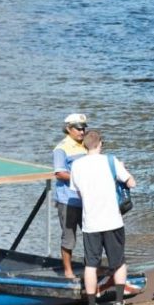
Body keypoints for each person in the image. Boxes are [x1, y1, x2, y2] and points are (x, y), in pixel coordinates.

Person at [67, 129, 136, 305]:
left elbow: (78, 192)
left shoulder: (77, 165)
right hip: (113, 220)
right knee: (119, 261)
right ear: (100, 144)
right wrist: (124, 170)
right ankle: (119, 302)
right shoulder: (111, 161)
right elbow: (132, 183)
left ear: (85, 145)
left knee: (91, 264)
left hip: (91, 222)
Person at [52, 113, 89, 280]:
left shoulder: (87, 145)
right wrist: (79, 179)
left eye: (84, 128)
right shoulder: (61, 148)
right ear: (69, 129)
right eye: (78, 128)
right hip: (68, 199)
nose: (82, 131)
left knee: (91, 233)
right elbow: (59, 173)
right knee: (69, 236)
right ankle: (68, 271)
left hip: (86, 199)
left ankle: (91, 267)